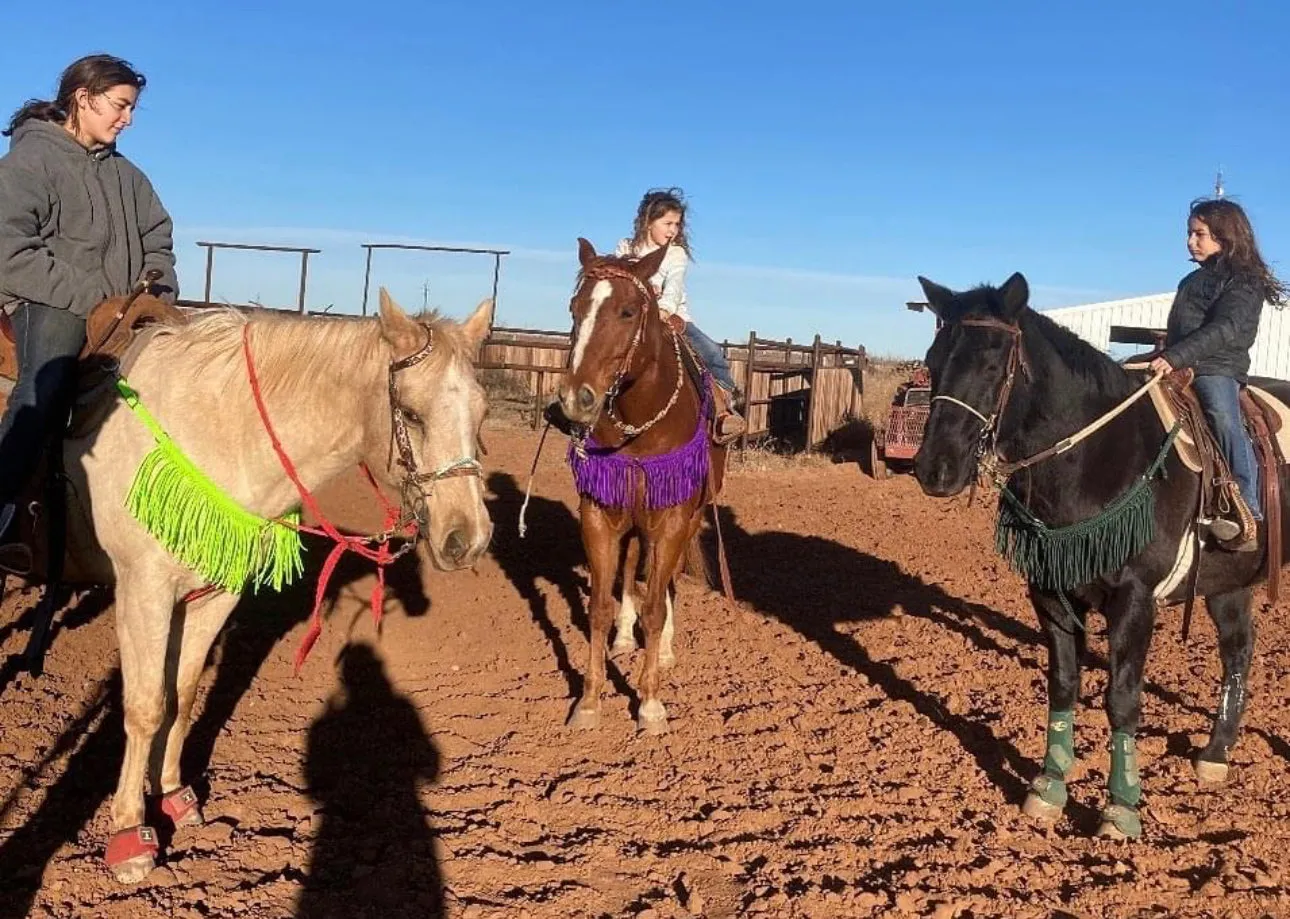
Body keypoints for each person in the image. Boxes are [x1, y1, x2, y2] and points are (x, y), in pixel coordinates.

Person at [0, 53, 178, 544]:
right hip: (45, 301)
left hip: (124, 312)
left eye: (132, 108)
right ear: (83, 97)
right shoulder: (30, 160)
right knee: (45, 385)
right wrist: (96, 299)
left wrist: (156, 291)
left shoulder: (130, 177)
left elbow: (158, 240)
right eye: (120, 105)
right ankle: (4, 509)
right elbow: (9, 251)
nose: (128, 118)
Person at [1149, 197, 1286, 551]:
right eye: (1189, 233)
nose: (1190, 241)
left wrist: (1177, 356)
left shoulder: (1244, 281)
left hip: (1216, 368)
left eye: (1199, 234)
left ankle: (1247, 511)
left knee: (1222, 416)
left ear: (1226, 237)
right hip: (1180, 362)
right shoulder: (1190, 280)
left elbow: (1225, 328)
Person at [615, 187, 745, 443]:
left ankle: (722, 410)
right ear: (648, 222)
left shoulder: (675, 253)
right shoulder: (626, 247)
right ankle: (579, 407)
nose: (672, 230)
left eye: (677, 224)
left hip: (672, 316)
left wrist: (664, 308)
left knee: (712, 355)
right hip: (631, 318)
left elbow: (674, 284)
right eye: (667, 223)